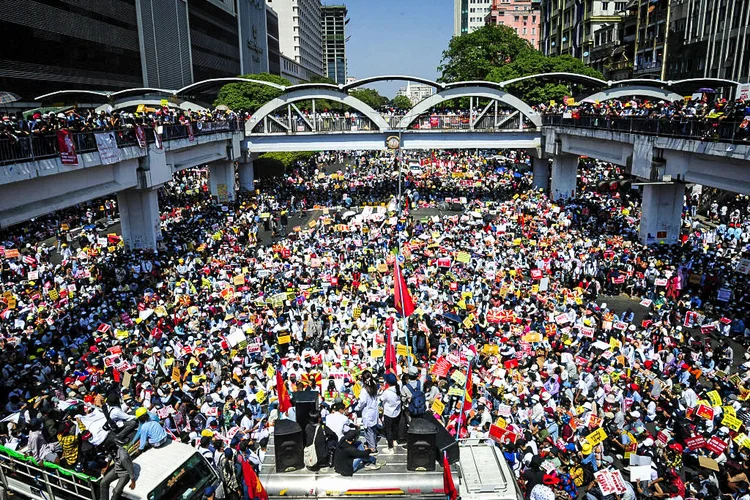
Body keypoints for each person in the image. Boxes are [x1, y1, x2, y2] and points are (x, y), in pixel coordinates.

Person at [379, 373, 401, 454]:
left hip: (388, 413)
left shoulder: (387, 392)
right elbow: (399, 381)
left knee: (388, 430)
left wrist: (382, 390)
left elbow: (381, 399)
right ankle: (394, 441)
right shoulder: (398, 387)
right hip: (397, 411)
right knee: (395, 427)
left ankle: (390, 447)